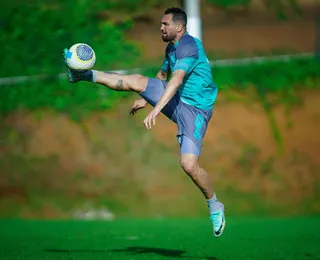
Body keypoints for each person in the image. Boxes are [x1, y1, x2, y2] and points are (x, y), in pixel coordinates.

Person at [63, 7, 225, 237]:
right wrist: (145, 99)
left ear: (179, 27)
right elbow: (162, 77)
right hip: (177, 99)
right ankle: (82, 75)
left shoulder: (188, 46)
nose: (161, 27)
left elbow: (176, 80)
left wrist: (156, 110)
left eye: (165, 24)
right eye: (161, 23)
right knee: (137, 80)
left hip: (196, 111)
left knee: (189, 165)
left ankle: (214, 205)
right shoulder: (172, 48)